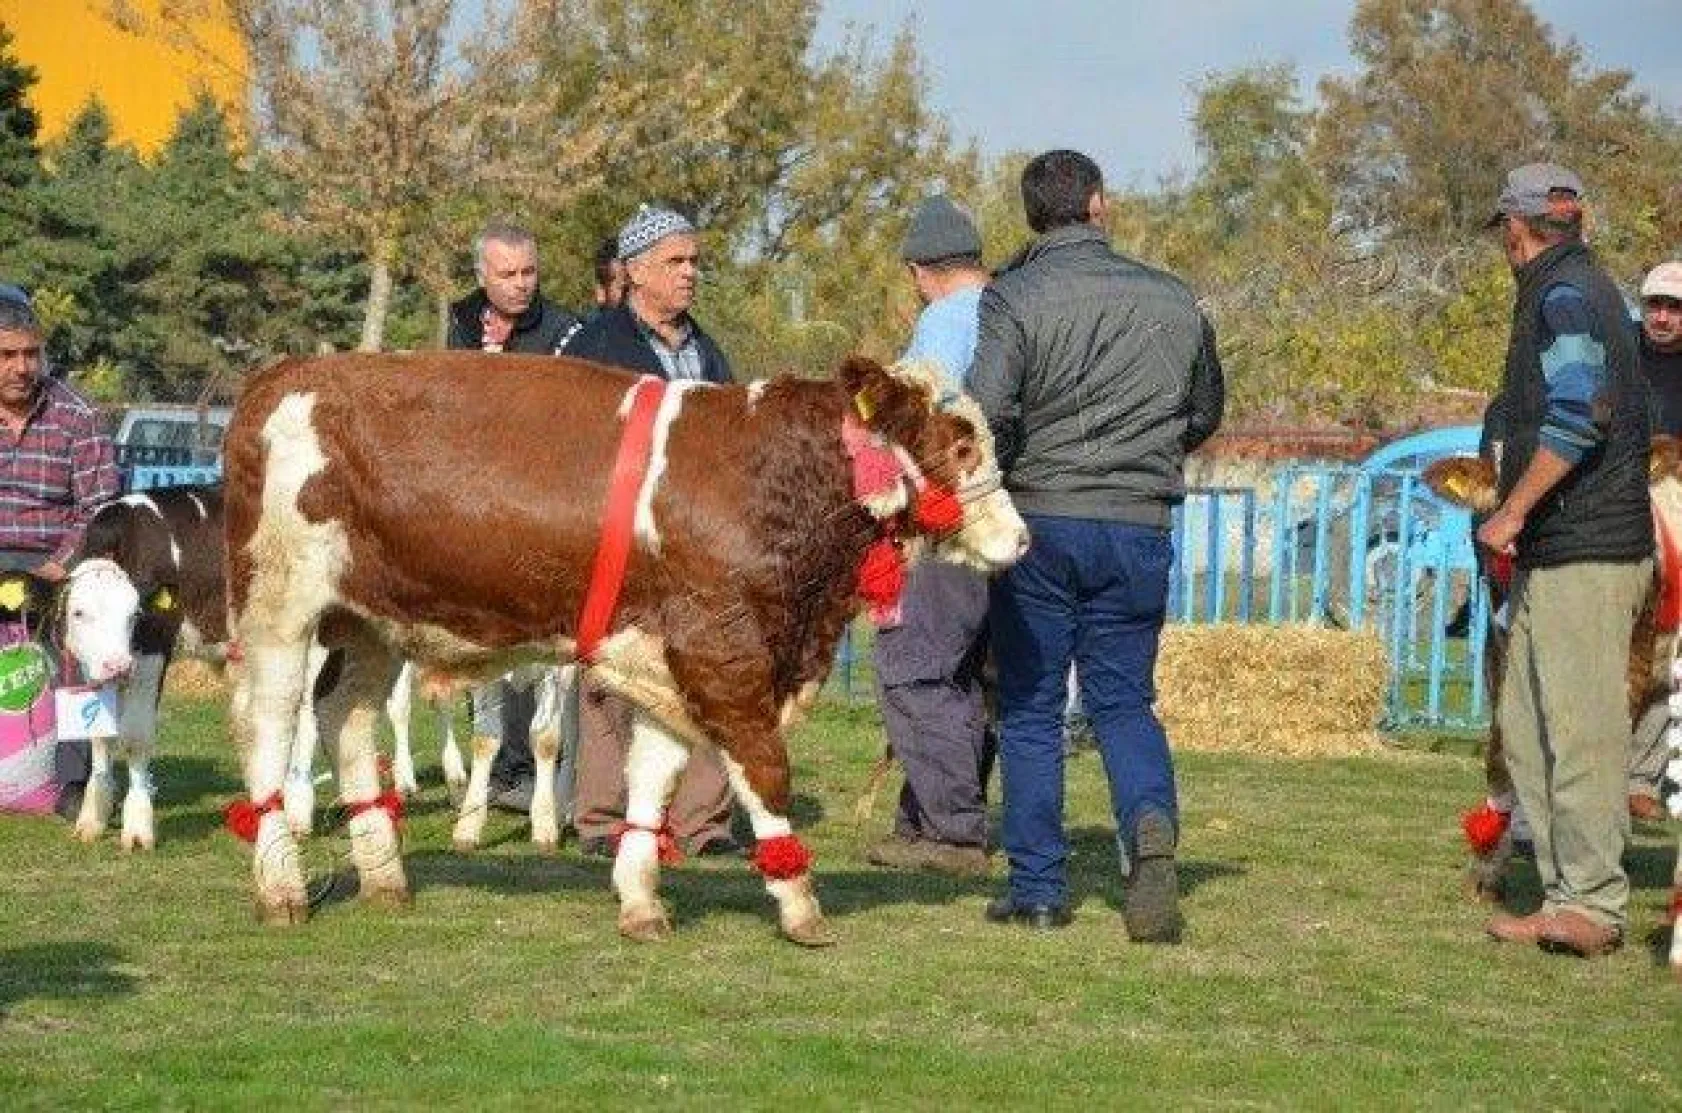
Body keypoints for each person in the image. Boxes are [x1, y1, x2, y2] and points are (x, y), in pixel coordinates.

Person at [967, 150, 1224, 938]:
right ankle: (1147, 824)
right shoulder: (1175, 299)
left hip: (1042, 519)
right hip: (1141, 521)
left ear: (1032, 215)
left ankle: (1039, 889)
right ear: (1100, 204)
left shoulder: (1014, 296)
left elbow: (986, 411)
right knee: (1123, 699)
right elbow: (1203, 411)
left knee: (1034, 707)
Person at [1477, 164, 1652, 958]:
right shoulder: (1578, 287)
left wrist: (1512, 510)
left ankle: (1591, 901)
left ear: (1515, 229)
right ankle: (1564, 892)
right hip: (1565, 546)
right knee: (1524, 721)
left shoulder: (1564, 297)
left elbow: (1581, 413)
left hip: (1588, 543)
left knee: (1579, 729)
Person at [563, 204, 737, 856]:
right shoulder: (594, 347)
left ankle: (704, 824)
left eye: (694, 260)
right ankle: (605, 820)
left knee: (707, 675)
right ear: (636, 272)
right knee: (610, 680)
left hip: (698, 543)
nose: (690, 273)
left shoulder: (707, 349)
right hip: (615, 538)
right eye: (676, 261)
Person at [864, 195, 995, 878]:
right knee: (964, 674)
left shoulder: (944, 319)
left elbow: (919, 410)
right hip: (1001, 522)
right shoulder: (1009, 308)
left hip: (947, 521)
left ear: (921, 270)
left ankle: (952, 830)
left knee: (915, 667)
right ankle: (923, 822)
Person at [445, 220, 579, 812]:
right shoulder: (460, 321)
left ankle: (540, 769)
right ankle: (498, 764)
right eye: (508, 274)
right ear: (483, 275)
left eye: (529, 272)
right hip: (480, 508)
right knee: (487, 639)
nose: (522, 285)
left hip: (545, 506)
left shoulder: (566, 329)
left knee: (541, 645)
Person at [0, 293, 120, 820]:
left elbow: (101, 509)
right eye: (7, 356)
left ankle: (81, 779)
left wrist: (65, 563)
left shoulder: (78, 415)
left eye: (31, 354)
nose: (22, 368)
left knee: (85, 640)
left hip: (55, 562)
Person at [1627, 260, 1682, 822]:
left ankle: (1642, 775)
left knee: (1668, 645)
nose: (1662, 318)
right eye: (1655, 306)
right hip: (1620, 504)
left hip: (1676, 509)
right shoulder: (1618, 357)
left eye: (1675, 308)